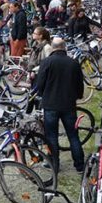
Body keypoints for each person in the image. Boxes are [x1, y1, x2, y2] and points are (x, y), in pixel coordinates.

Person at [36, 38, 85, 174]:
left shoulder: (47, 62)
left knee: (51, 136)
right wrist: (78, 96)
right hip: (68, 104)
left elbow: (40, 84)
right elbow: (79, 84)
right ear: (64, 48)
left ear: (52, 48)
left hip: (50, 104)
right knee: (73, 135)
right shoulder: (73, 63)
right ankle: (79, 165)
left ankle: (54, 164)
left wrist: (42, 94)